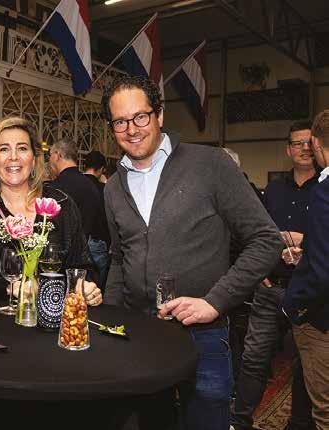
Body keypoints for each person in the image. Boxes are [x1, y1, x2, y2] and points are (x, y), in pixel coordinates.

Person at [101, 74, 281, 430]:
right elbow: (120, 258)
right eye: (120, 121)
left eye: (140, 117)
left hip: (204, 336)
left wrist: (215, 302)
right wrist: (109, 320)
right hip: (140, 334)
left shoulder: (211, 164)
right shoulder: (113, 187)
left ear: (159, 114)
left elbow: (266, 239)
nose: (132, 129)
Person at [0, 116, 102, 306]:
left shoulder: (60, 205)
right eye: (3, 149)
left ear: (34, 159)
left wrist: (86, 286)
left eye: (22, 148)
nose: (13, 157)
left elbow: (83, 266)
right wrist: (7, 287)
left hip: (51, 319)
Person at [231, 121, 318, 430]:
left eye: (309, 142)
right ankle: (238, 421)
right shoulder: (274, 190)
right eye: (297, 143)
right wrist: (258, 274)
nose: (304, 149)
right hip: (270, 288)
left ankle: (300, 423)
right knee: (253, 359)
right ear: (288, 150)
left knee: (306, 365)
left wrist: (305, 241)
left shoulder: (325, 189)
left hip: (309, 293)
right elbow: (254, 235)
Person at [283, 109, 329, 430]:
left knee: (324, 411)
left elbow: (323, 273)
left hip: (319, 316)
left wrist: (297, 306)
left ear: (315, 143)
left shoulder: (324, 190)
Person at [47, 141, 108, 292]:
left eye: (50, 155)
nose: (49, 160)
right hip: (91, 251)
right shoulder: (91, 185)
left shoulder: (55, 189)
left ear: (58, 155)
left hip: (65, 259)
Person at [82, 150, 111, 290]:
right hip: (97, 241)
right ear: (101, 169)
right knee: (97, 288)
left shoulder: (76, 183)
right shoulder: (104, 189)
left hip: (78, 241)